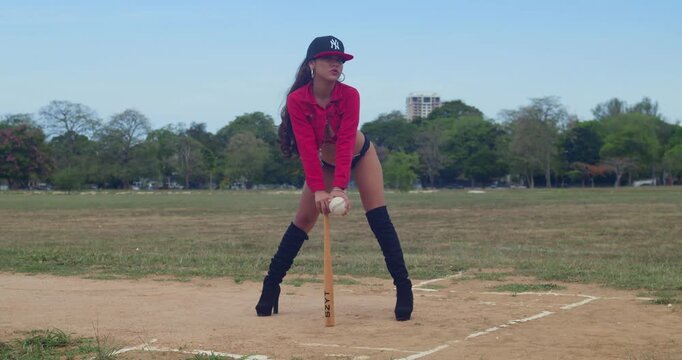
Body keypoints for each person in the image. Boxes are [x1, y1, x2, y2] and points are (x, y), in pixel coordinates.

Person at [255, 35, 413, 321]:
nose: (336, 64)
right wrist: (319, 190)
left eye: (340, 60)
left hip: (360, 154)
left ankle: (403, 287)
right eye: (329, 59)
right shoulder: (297, 100)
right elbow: (306, 148)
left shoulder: (350, 95)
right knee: (302, 221)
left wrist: (340, 188)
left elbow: (344, 142)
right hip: (324, 163)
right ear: (312, 64)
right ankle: (271, 285)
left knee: (378, 217)